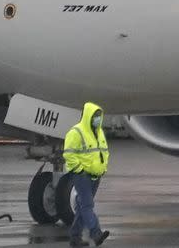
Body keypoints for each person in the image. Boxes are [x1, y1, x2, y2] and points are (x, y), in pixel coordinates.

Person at [63, 102, 110, 247]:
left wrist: (103, 168)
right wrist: (79, 170)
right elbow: (69, 154)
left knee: (82, 206)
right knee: (87, 205)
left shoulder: (99, 132)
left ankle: (75, 238)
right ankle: (96, 233)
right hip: (82, 175)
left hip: (96, 176)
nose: (98, 119)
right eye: (95, 116)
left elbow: (104, 152)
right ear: (88, 116)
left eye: (99, 116)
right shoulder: (76, 132)